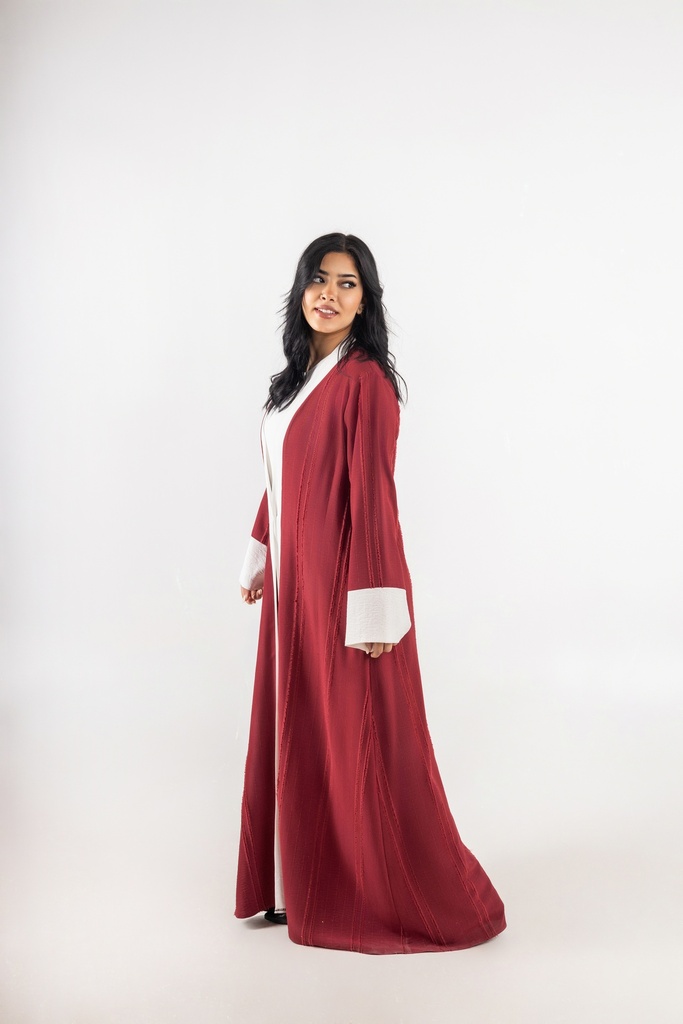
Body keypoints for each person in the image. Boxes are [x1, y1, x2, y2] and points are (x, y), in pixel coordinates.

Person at [235, 233, 506, 954]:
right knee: (300, 723)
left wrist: (377, 606)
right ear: (301, 292)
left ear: (366, 300)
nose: (329, 293)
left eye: (347, 284)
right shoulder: (294, 382)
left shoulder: (366, 383)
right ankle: (298, 887)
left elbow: (374, 500)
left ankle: (377, 888)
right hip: (293, 586)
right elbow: (280, 474)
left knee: (350, 729)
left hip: (338, 585)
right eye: (318, 280)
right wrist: (260, 553)